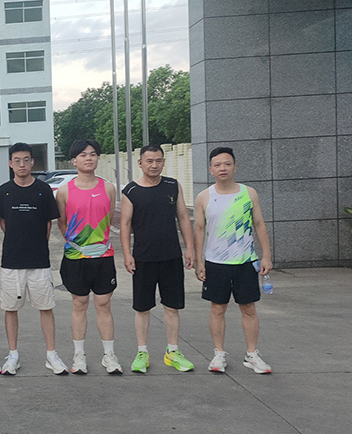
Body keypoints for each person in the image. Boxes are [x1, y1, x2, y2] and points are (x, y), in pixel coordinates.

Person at [194, 147, 273, 374]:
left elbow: (259, 224)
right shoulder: (204, 197)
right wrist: (199, 261)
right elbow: (199, 229)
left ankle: (252, 354)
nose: (223, 168)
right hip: (216, 262)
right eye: (217, 165)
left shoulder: (249, 193)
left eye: (227, 164)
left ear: (235, 167)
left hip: (246, 261)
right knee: (217, 308)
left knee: (248, 308)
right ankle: (218, 354)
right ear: (211, 169)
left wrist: (266, 256)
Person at [120, 144, 195, 374]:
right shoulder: (131, 191)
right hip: (143, 258)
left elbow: (183, 218)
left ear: (163, 162)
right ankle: (142, 352)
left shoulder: (172, 185)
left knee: (172, 306)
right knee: (142, 308)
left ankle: (173, 351)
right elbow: (125, 224)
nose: (154, 165)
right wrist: (127, 254)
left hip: (171, 256)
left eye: (158, 160)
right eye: (149, 161)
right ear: (140, 163)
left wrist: (190, 248)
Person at [0, 143, 67, 375]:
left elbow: (48, 224)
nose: (22, 164)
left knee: (46, 307)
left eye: (26, 160)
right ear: (10, 163)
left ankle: (51, 355)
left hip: (39, 261)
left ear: (32, 162)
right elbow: (4, 223)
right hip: (12, 261)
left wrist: (35, 244)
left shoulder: (43, 190)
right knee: (10, 309)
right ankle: (13, 355)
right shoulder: (3, 191)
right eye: (17, 160)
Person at [56, 140, 122, 375]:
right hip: (76, 258)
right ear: (74, 160)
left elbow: (109, 219)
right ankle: (79, 355)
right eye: (83, 155)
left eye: (93, 154)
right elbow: (62, 222)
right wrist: (78, 245)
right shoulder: (64, 191)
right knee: (79, 303)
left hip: (103, 257)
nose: (89, 158)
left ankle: (109, 355)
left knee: (103, 304)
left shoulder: (109, 188)